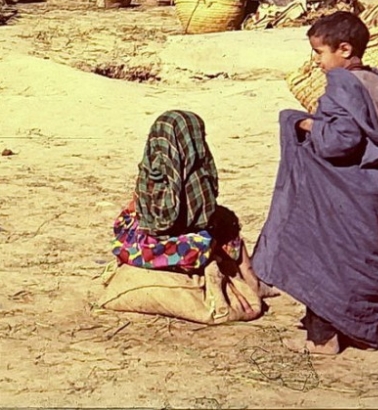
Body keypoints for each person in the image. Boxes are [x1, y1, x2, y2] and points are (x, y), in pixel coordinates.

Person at [252, 12, 378, 354]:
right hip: (370, 194)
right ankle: (354, 328)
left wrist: (303, 124)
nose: (318, 63)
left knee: (318, 251)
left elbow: (339, 141)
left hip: (338, 197)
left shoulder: (342, 86)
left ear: (345, 49)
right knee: (353, 262)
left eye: (320, 54)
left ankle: (322, 339)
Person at [104, 110, 263, 323]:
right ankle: (253, 283)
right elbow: (201, 218)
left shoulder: (148, 171)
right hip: (183, 250)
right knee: (226, 222)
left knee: (128, 218)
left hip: (140, 247)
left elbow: (141, 211)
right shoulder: (198, 179)